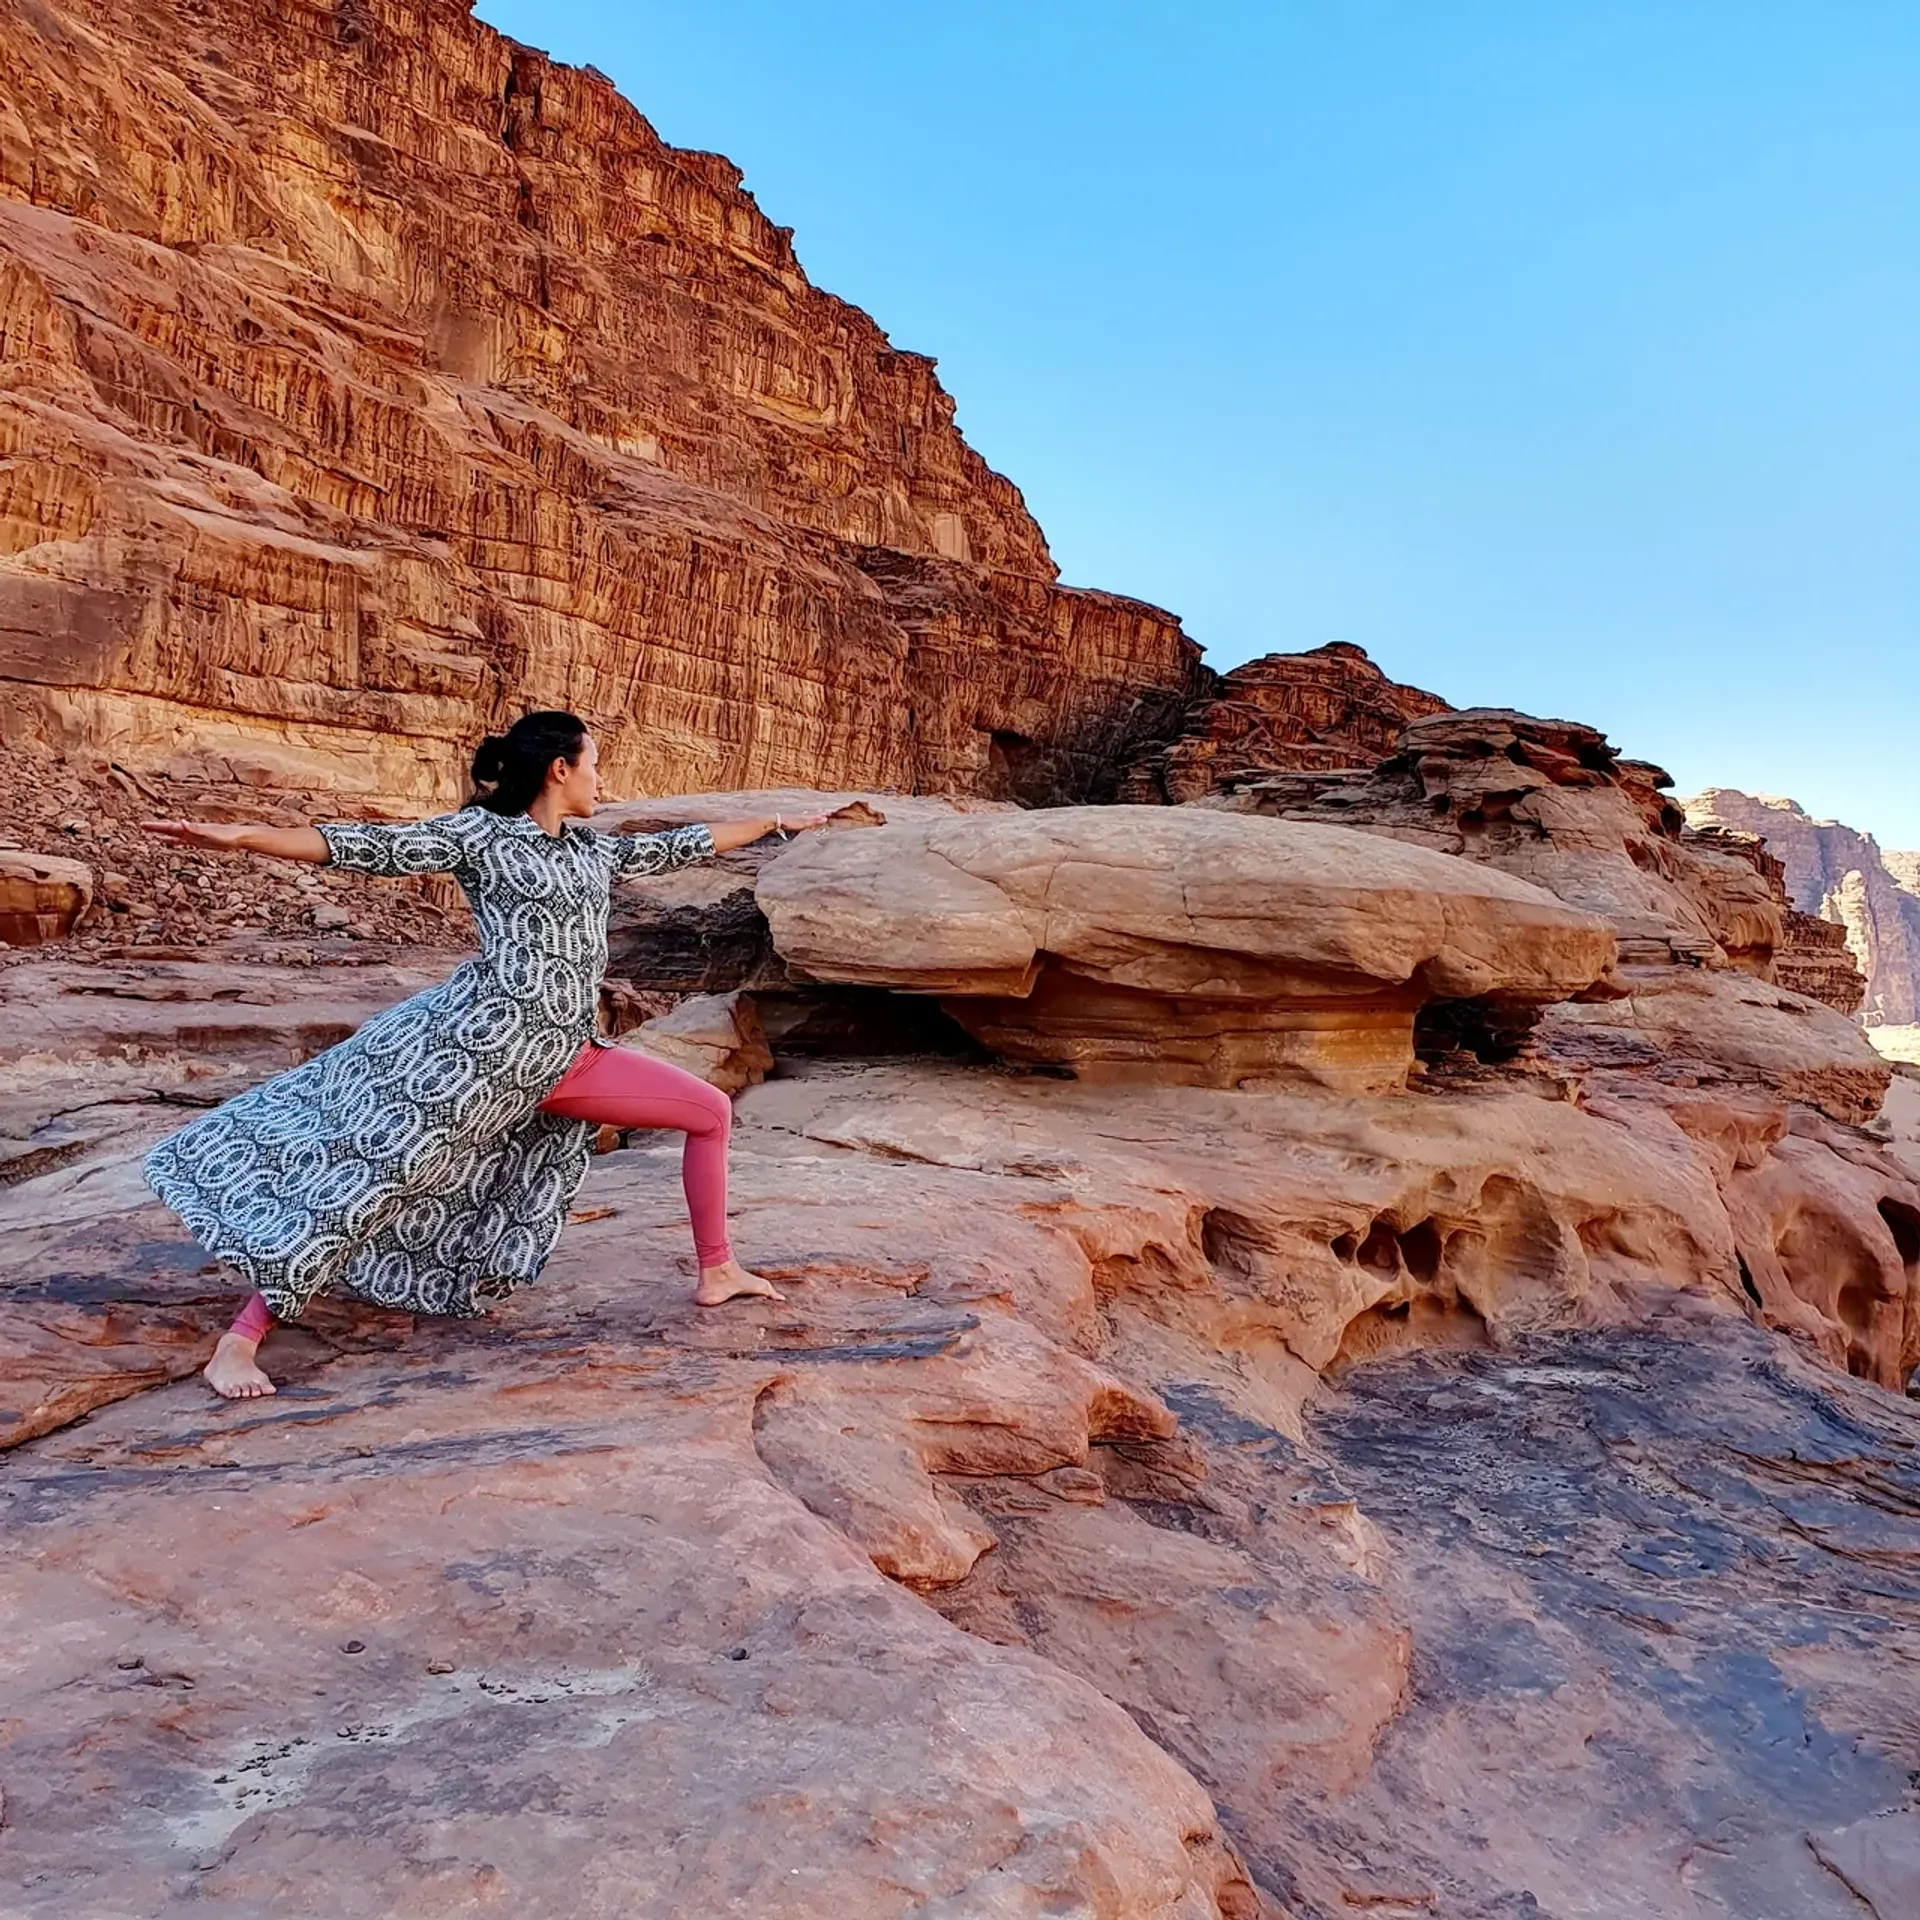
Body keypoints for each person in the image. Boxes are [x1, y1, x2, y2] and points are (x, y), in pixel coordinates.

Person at [140, 711, 827, 1401]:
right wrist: (243, 836)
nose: (601, 778)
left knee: (707, 1110)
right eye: (594, 763)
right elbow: (368, 846)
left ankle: (717, 1270)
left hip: (566, 1057)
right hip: (482, 1055)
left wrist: (774, 823)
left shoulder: (589, 851)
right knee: (376, 1183)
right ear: (560, 769)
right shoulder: (481, 836)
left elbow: (684, 845)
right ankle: (240, 1339)